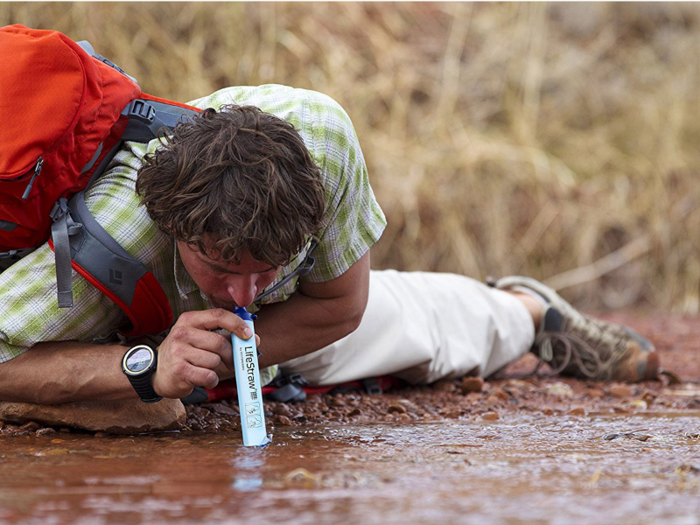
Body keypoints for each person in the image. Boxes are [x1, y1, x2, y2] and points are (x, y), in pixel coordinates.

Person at [0, 85, 659, 421]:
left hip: (295, 316)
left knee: (411, 332)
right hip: (115, 305)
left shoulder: (324, 139)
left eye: (268, 267)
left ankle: (525, 311)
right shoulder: (106, 244)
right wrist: (145, 366)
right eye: (223, 268)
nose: (246, 292)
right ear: (172, 229)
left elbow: (341, 305)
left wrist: (231, 351)